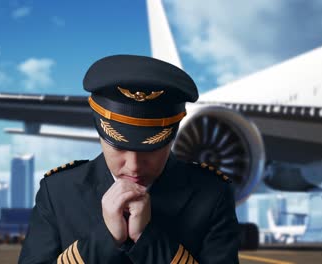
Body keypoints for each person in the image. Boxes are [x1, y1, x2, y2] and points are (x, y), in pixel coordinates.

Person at [18, 55, 240, 264]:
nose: (134, 166)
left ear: (172, 137)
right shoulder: (58, 192)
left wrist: (147, 238)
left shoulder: (213, 195)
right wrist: (106, 238)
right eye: (119, 147)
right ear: (100, 131)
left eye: (150, 150)